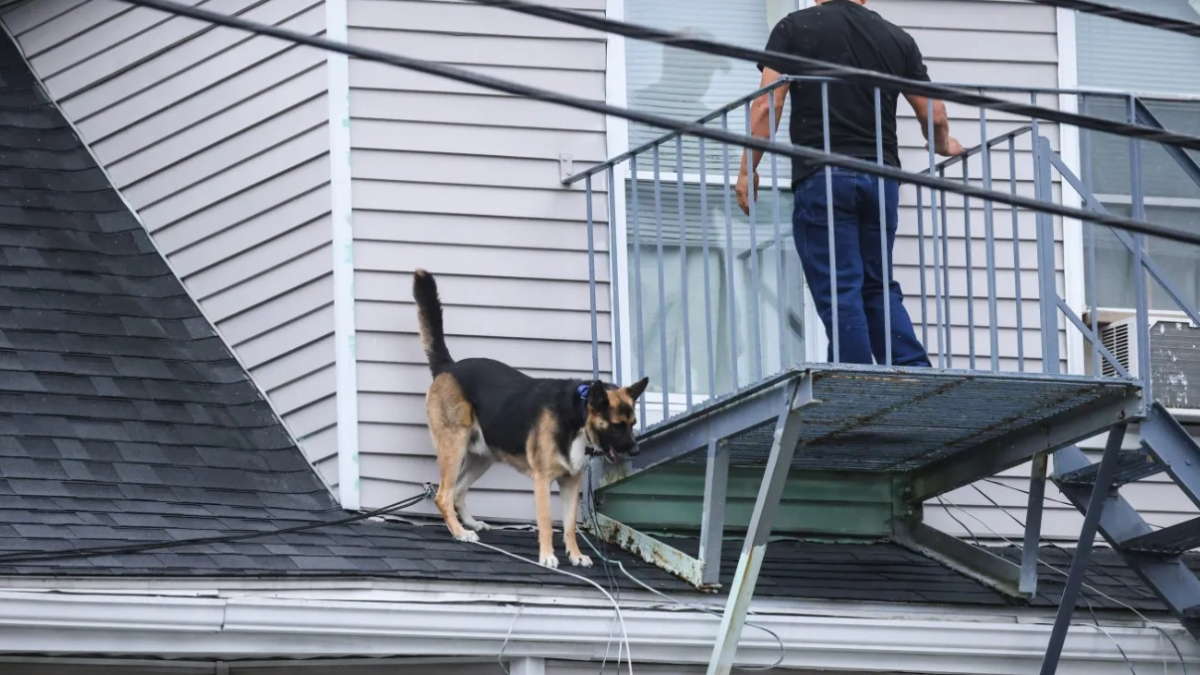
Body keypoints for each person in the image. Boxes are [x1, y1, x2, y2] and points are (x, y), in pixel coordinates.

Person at [735, 0, 963, 367]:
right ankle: (913, 370)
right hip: (881, 178)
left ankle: (856, 379)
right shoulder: (896, 39)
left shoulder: (796, 28)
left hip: (824, 176)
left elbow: (766, 107)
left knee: (842, 288)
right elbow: (933, 112)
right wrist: (943, 144)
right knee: (877, 285)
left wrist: (748, 169)